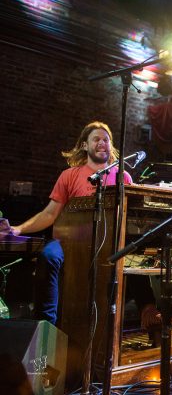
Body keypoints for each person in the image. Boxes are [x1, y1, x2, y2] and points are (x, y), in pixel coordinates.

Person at [10, 122, 161, 337]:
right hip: (69, 242)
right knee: (49, 256)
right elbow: (49, 214)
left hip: (108, 242)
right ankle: (46, 329)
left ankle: (148, 308)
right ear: (84, 145)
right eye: (96, 139)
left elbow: (133, 219)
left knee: (129, 253)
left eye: (106, 139)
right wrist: (18, 229)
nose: (102, 143)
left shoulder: (123, 177)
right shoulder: (69, 175)